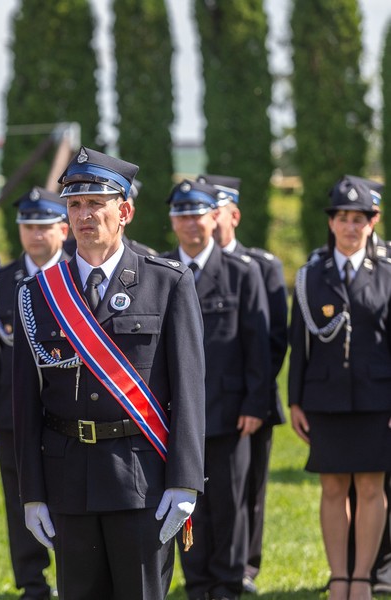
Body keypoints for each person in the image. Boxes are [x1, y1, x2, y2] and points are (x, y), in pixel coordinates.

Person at [12, 147, 206, 599]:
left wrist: (184, 481)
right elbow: (25, 400)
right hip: (67, 478)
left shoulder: (167, 283)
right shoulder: (39, 293)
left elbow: (189, 390)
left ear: (125, 212)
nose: (84, 215)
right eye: (75, 204)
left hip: (141, 478)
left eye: (97, 203)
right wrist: (32, 492)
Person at [163, 179, 271, 600]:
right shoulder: (161, 271)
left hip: (228, 410)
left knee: (228, 501)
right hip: (175, 413)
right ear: (172, 220)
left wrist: (256, 403)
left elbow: (258, 345)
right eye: (182, 215)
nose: (190, 223)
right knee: (186, 499)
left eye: (198, 214)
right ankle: (198, 581)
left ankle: (227, 582)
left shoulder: (242, 272)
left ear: (214, 218)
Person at [288, 175, 391, 600]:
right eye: (343, 218)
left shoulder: (387, 273)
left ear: (373, 221)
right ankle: (339, 577)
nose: (351, 227)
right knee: (332, 488)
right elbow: (299, 344)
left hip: (377, 400)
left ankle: (362, 577)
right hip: (325, 399)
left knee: (370, 487)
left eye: (359, 219)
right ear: (331, 223)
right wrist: (295, 400)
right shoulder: (311, 275)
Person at [0, 186, 69, 599]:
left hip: (67, 411)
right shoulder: (1, 281)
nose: (35, 234)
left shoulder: (78, 275)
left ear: (63, 230)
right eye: (28, 226)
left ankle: (72, 575)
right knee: (20, 498)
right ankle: (31, 581)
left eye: (44, 226)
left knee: (69, 495)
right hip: (13, 410)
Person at [197, 173, 289, 595]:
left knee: (248, 487)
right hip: (209, 400)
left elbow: (272, 339)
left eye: (216, 210)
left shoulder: (261, 266)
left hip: (252, 397)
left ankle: (246, 565)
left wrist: (255, 392)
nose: (210, 219)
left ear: (232, 215)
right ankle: (213, 566)